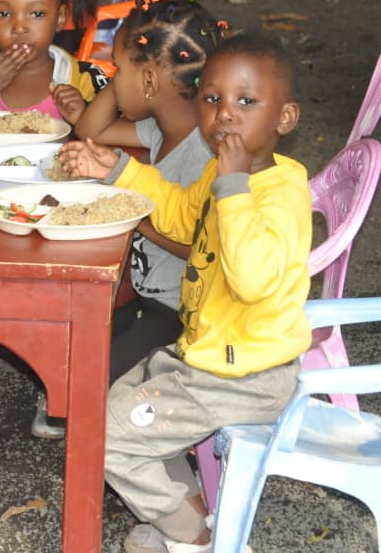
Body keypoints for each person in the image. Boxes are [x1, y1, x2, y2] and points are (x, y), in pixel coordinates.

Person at [60, 34, 311, 553]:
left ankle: (192, 536)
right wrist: (118, 170)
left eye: (246, 102)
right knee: (109, 403)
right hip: (204, 357)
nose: (224, 115)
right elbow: (177, 213)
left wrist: (234, 189)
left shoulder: (279, 193)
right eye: (212, 98)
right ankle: (184, 508)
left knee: (104, 436)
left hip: (245, 375)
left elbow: (252, 279)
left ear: (284, 119)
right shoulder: (218, 172)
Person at [29, 0, 227, 439]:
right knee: (66, 358)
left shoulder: (203, 151)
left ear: (152, 81)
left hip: (182, 313)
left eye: (119, 71)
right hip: (149, 297)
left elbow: (204, 250)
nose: (114, 83)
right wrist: (120, 86)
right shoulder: (163, 128)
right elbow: (92, 131)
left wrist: (133, 219)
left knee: (80, 391)